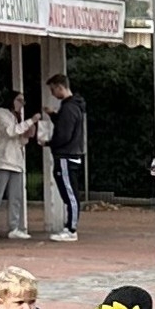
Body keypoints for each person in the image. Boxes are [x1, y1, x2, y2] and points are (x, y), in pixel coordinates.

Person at [0, 92, 39, 241]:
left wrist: (28, 133)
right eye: (19, 100)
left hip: (16, 161)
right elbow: (10, 131)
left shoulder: (16, 117)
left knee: (16, 197)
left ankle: (14, 227)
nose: (21, 104)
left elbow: (19, 140)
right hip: (2, 160)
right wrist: (30, 121)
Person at [44, 73, 87, 239]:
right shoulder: (73, 106)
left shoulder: (68, 108)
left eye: (53, 89)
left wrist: (49, 143)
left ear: (60, 87)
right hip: (71, 153)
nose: (53, 93)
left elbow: (64, 134)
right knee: (69, 192)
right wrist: (54, 116)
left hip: (66, 155)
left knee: (70, 193)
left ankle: (71, 229)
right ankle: (70, 226)